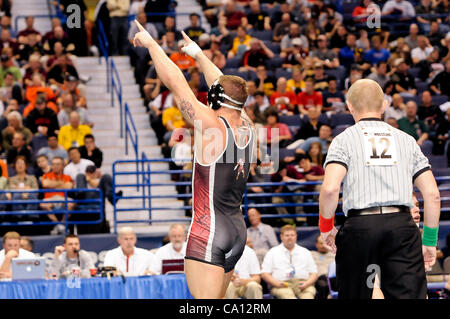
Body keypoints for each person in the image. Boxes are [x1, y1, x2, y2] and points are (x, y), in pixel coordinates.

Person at [133, 21, 255, 298]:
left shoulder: (212, 126)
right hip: (237, 231)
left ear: (216, 98)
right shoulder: (249, 126)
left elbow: (176, 83)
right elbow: (225, 87)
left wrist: (152, 44)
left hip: (208, 230)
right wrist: (199, 55)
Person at [318, 79, 440, 299]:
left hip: (360, 228)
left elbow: (329, 189)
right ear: (384, 105)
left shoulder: (343, 140)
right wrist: (430, 240)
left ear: (349, 106)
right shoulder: (407, 140)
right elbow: (433, 194)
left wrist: (326, 227)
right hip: (401, 228)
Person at [261, 225, 318, 299]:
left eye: (292, 235)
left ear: (296, 236)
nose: (290, 237)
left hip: (303, 284)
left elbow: (314, 273)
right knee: (288, 297)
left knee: (308, 296)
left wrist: (307, 283)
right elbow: (265, 273)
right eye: (287, 235)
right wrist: (276, 283)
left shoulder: (305, 252)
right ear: (281, 237)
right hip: (282, 284)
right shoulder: (272, 252)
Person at [311, 235, 335, 299]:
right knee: (323, 285)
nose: (324, 246)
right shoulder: (311, 254)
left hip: (332, 279)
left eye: (326, 243)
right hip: (317, 279)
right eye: (321, 243)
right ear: (316, 244)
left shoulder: (334, 255)